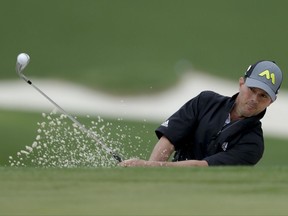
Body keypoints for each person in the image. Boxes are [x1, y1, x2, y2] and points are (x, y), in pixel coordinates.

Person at [118, 60, 283, 167]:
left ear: (271, 101)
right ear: (241, 83)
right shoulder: (205, 101)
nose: (254, 99)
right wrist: (150, 174)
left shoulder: (253, 144)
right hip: (168, 178)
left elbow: (201, 167)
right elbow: (169, 138)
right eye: (252, 90)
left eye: (263, 96)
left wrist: (148, 167)